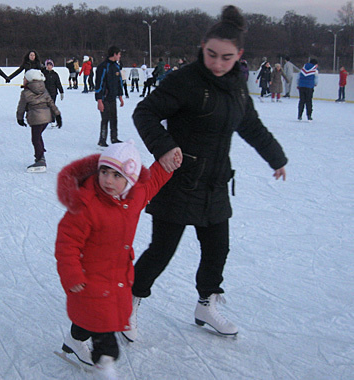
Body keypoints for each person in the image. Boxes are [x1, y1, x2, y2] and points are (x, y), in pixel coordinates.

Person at [127, 5, 288, 340]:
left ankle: (205, 304)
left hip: (214, 184)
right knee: (161, 251)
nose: (217, 63)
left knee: (218, 250)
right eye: (211, 54)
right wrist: (164, 146)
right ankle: (129, 302)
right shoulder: (184, 80)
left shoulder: (237, 88)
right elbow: (145, 113)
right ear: (202, 47)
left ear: (239, 55)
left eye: (226, 57)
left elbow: (251, 126)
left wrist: (276, 157)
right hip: (179, 182)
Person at [55, 140, 176, 379]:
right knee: (104, 324)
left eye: (117, 175)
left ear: (129, 180)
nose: (108, 181)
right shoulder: (86, 206)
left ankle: (73, 340)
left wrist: (167, 165)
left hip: (117, 274)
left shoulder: (134, 197)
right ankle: (105, 365)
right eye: (104, 172)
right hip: (90, 277)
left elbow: (151, 183)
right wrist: (71, 273)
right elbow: (67, 242)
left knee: (91, 317)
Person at [16, 69, 62, 172]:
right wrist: (57, 115)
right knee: (38, 136)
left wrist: (19, 118)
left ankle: (40, 159)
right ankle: (40, 152)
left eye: (24, 78)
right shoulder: (43, 89)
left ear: (29, 80)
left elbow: (21, 107)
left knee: (35, 138)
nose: (23, 79)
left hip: (36, 118)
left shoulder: (25, 92)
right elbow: (51, 103)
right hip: (46, 118)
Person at [95, 46, 124, 147]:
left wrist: (120, 96)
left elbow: (119, 82)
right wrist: (99, 100)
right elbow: (98, 84)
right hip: (104, 98)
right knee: (105, 118)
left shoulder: (116, 67)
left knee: (114, 118)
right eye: (119, 54)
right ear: (115, 54)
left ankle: (114, 138)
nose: (120, 56)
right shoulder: (103, 66)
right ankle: (102, 140)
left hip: (112, 98)